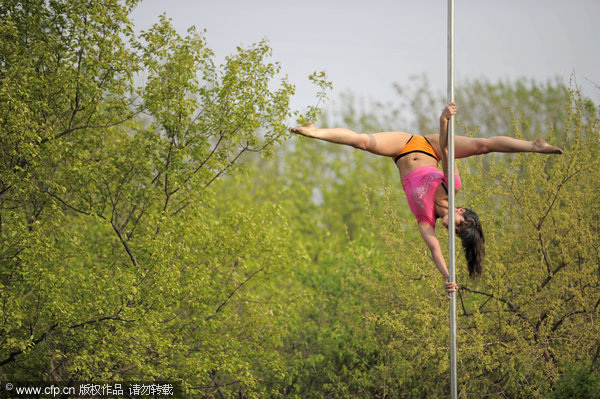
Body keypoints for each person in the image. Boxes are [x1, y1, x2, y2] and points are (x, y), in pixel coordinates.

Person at [291, 103, 563, 298]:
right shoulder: (451, 188)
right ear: (461, 212)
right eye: (458, 226)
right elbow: (446, 150)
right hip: (431, 145)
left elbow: (435, 251)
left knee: (362, 144)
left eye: (455, 233)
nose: (452, 230)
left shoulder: (425, 219)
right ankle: (315, 131)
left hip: (400, 150)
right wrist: (443, 121)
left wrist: (447, 278)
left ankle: (534, 147)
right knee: (482, 146)